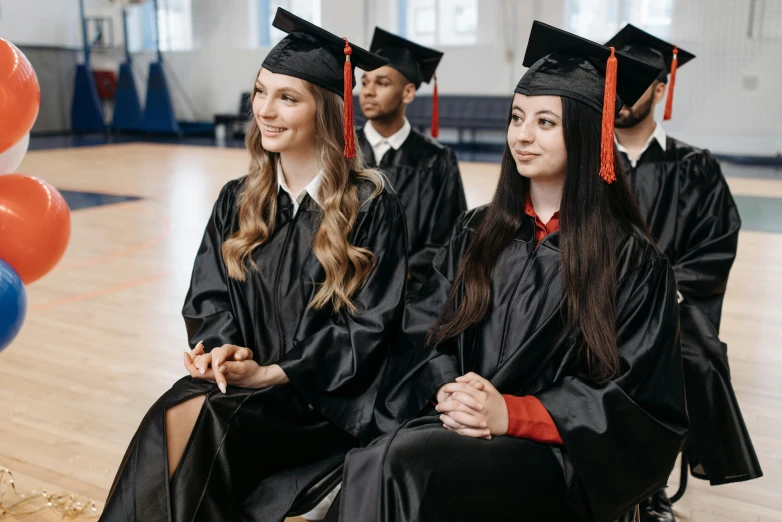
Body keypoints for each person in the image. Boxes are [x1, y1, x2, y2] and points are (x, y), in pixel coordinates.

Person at [330, 21, 689, 522]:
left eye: (545, 122)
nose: (521, 135)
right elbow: (426, 328)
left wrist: (512, 413)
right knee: (381, 462)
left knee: (400, 465)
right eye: (517, 117)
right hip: (453, 422)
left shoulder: (632, 259)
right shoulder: (476, 231)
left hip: (555, 455)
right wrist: (452, 392)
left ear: (587, 134)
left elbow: (638, 396)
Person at [98, 9, 408, 522]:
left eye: (288, 98)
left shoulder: (370, 206)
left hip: (321, 401)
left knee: (207, 420)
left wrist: (274, 372)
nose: (265, 109)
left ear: (327, 111)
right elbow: (209, 296)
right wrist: (221, 352)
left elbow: (367, 328)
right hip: (245, 384)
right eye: (261, 92)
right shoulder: (238, 199)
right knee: (182, 406)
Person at [606, 23, 762, 522]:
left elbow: (715, 249)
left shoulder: (695, 166)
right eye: (617, 82)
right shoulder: (589, 165)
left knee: (690, 359)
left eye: (637, 83)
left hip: (672, 307)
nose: (624, 96)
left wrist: (657, 292)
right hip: (593, 300)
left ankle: (650, 487)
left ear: (660, 87)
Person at [358, 27, 467, 293]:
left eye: (382, 83)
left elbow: (448, 236)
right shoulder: (342, 151)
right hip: (343, 288)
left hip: (407, 294)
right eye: (364, 82)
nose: (368, 91)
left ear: (407, 93)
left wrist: (398, 274)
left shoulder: (436, 159)